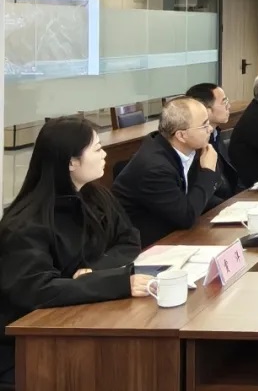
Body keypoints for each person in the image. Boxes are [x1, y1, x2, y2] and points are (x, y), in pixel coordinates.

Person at [0, 117, 150, 384]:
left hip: (84, 319)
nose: (105, 155)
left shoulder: (97, 195)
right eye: (97, 149)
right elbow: (37, 291)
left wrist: (94, 272)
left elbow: (129, 239)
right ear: (71, 162)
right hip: (31, 346)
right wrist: (115, 283)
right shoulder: (26, 225)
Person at [112, 97, 223, 247]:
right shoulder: (154, 168)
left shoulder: (187, 149)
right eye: (204, 125)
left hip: (173, 232)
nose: (210, 129)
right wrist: (208, 171)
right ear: (181, 135)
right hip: (147, 245)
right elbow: (186, 217)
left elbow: (202, 193)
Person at [185, 82, 239, 201]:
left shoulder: (215, 134)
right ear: (205, 109)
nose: (229, 106)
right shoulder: (193, 144)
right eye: (224, 102)